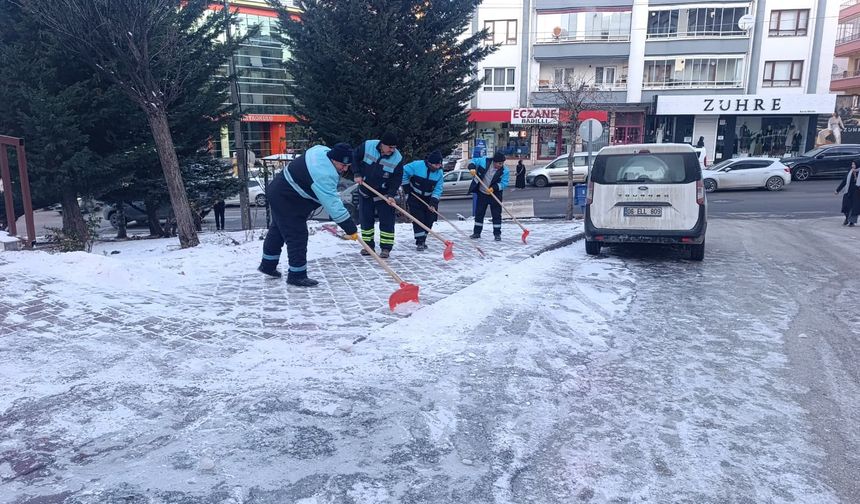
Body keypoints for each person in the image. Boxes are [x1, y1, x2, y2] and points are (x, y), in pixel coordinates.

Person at [258, 143, 358, 287]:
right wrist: (350, 228)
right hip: (288, 200)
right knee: (297, 235)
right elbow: (333, 205)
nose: (345, 169)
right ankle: (297, 275)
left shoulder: (321, 151)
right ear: (333, 159)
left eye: (348, 165)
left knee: (278, 230)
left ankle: (268, 265)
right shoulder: (324, 174)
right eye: (343, 165)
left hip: (278, 190)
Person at [354, 132, 404, 258]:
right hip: (365, 191)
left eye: (394, 147)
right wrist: (357, 173)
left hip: (384, 194)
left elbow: (397, 178)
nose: (392, 150)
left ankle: (386, 248)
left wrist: (391, 194)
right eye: (390, 147)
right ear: (382, 144)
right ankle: (368, 247)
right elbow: (354, 157)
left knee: (387, 221)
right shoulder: (368, 146)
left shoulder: (397, 158)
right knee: (366, 221)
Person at [401, 150, 444, 251]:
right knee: (418, 219)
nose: (438, 167)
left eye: (440, 164)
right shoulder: (416, 166)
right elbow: (403, 172)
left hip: (429, 198)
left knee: (430, 219)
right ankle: (420, 241)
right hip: (414, 196)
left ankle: (423, 238)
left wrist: (433, 202)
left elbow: (438, 188)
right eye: (436, 164)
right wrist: (406, 187)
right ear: (429, 163)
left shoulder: (440, 172)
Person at [468, 152, 509, 241]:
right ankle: (476, 233)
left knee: (496, 215)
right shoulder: (484, 162)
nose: (500, 165)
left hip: (495, 194)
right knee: (479, 213)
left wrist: (494, 188)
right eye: (499, 163)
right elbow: (473, 161)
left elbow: (504, 183)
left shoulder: (505, 171)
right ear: (494, 161)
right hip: (482, 193)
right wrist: (471, 167)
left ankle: (497, 234)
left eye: (502, 163)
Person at [835, 161, 860, 226]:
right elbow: (845, 181)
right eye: (852, 164)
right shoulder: (850, 171)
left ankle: (852, 222)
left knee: (854, 208)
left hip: (857, 193)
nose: (852, 165)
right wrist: (838, 190)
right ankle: (847, 218)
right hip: (848, 191)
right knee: (845, 206)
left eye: (854, 164)